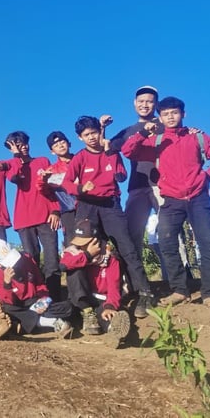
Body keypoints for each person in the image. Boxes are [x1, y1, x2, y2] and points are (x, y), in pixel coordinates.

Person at [122, 96, 210, 308]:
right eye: (165, 114)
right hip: (171, 200)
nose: (170, 117)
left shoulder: (197, 137)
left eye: (174, 113)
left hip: (198, 198)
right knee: (166, 243)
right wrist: (144, 132)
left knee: (208, 244)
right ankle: (179, 291)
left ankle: (209, 293)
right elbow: (128, 150)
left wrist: (208, 176)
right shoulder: (157, 141)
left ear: (183, 114)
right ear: (160, 117)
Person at [62, 115, 156, 319]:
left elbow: (122, 175)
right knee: (79, 249)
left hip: (110, 205)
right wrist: (80, 187)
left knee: (126, 247)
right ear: (80, 138)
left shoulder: (111, 153)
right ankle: (82, 303)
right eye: (86, 135)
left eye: (94, 133)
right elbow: (67, 183)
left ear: (99, 131)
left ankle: (143, 292)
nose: (91, 138)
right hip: (87, 206)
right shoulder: (79, 157)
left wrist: (114, 166)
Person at [4, 131, 62, 301]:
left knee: (52, 259)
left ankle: (55, 299)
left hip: (46, 217)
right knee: (31, 263)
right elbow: (14, 178)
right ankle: (36, 298)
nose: (23, 147)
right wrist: (15, 156)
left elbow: (51, 186)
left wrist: (55, 210)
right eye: (18, 144)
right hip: (24, 219)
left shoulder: (42, 161)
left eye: (24, 143)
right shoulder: (12, 164)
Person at [107, 85, 162, 260]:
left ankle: (179, 278)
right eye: (141, 101)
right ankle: (136, 281)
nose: (145, 105)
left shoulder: (165, 125)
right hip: (137, 187)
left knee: (170, 231)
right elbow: (106, 148)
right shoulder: (127, 131)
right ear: (134, 103)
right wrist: (102, 127)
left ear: (156, 104)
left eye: (149, 102)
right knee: (132, 232)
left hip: (163, 185)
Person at [60, 218, 131, 347]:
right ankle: (86, 313)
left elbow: (113, 287)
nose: (80, 246)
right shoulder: (75, 252)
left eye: (84, 242)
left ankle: (114, 330)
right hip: (83, 298)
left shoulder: (110, 258)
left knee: (106, 314)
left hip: (103, 299)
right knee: (74, 271)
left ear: (95, 240)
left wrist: (110, 306)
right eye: (79, 243)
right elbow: (64, 265)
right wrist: (87, 255)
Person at [0, 239, 74, 338]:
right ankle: (52, 322)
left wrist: (43, 298)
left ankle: (24, 326)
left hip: (34, 302)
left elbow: (40, 283)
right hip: (18, 308)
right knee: (8, 310)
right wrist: (7, 283)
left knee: (67, 307)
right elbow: (8, 301)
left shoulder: (26, 258)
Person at [43, 131, 77, 244]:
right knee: (72, 244)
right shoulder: (52, 170)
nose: (61, 146)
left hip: (90, 206)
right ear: (52, 152)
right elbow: (43, 190)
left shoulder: (82, 159)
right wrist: (43, 180)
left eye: (63, 142)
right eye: (56, 145)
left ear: (69, 143)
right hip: (69, 212)